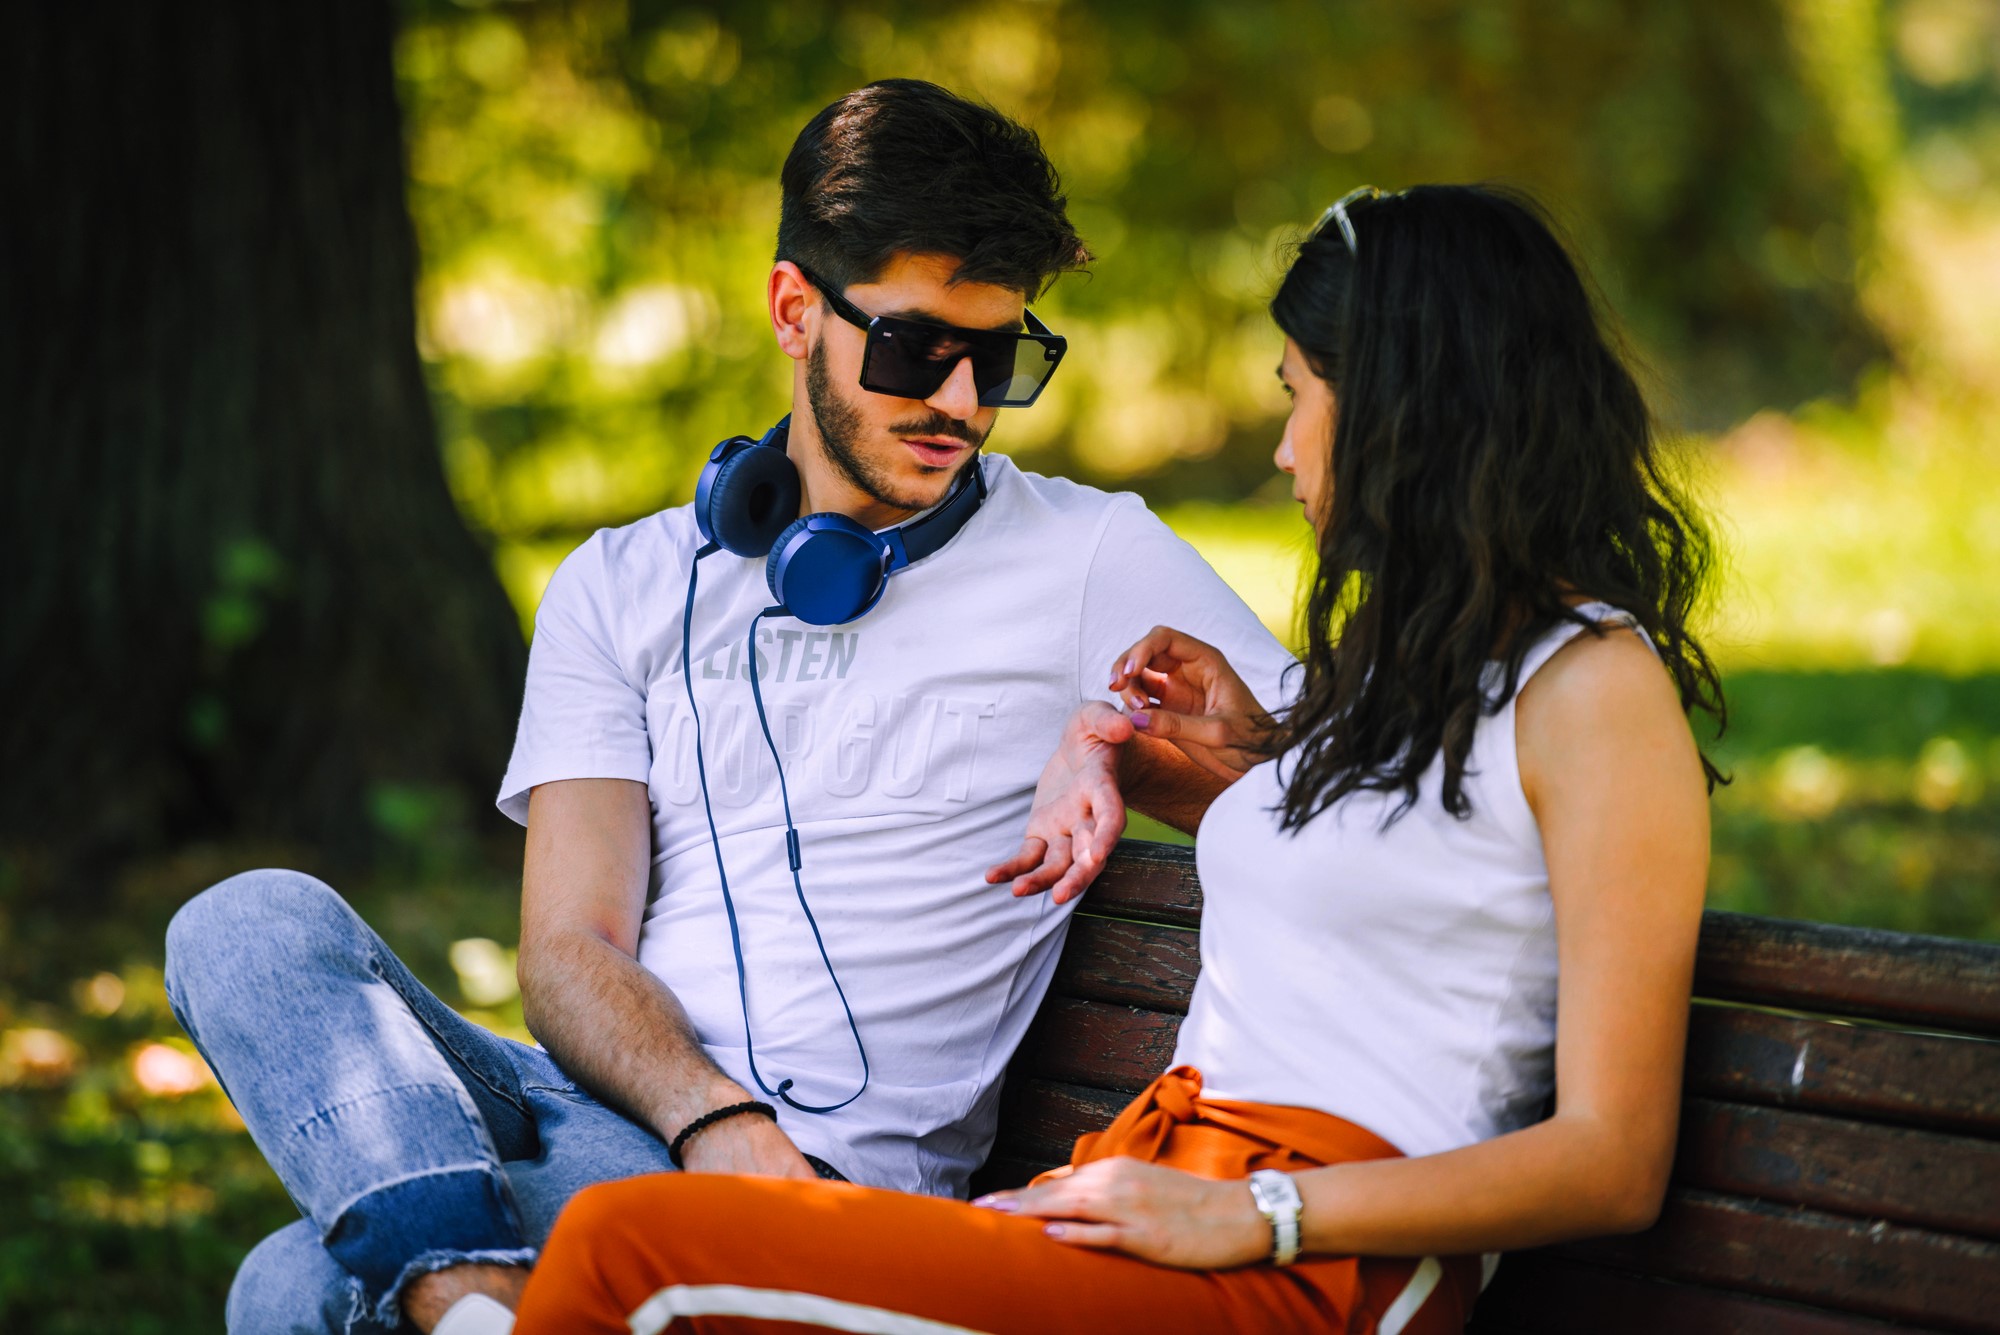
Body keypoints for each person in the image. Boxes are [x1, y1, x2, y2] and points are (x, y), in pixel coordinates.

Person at [162, 80, 1293, 1335]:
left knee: (286, 1288)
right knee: (247, 922)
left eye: (1001, 357)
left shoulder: (1091, 559)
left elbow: (1356, 787)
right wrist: (711, 1115)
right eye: (919, 350)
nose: (963, 402)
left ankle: (447, 1294)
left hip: (822, 1191)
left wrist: (1115, 744)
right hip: (621, 1109)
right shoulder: (621, 584)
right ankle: (467, 1295)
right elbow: (567, 949)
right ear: (793, 309)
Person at [507, 183, 1726, 1335]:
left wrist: (1252, 1213)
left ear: (1407, 410)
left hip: (1301, 1264)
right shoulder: (1419, 668)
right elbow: (1388, 877)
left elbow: (1609, 1161)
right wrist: (1104, 747)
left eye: (1297, 395)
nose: (1285, 451)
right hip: (1144, 1191)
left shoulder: (1594, 690)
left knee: (635, 1254)